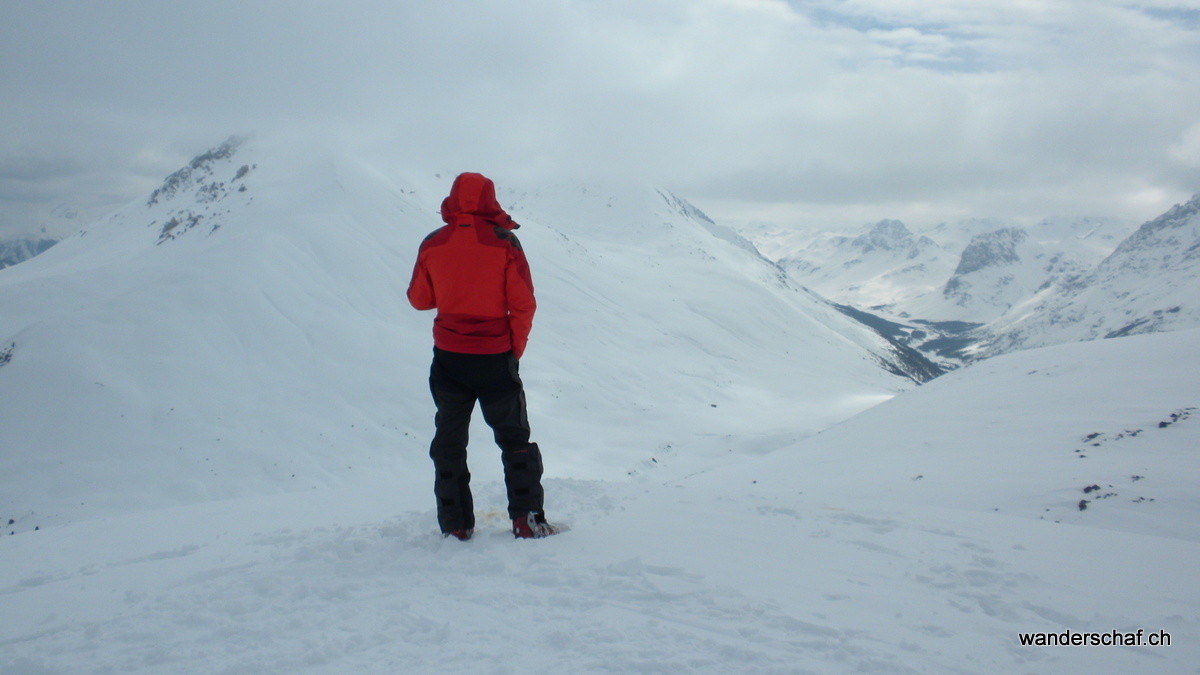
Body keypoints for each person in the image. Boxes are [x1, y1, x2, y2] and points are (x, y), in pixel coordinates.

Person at [407, 172, 558, 540]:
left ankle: (456, 524)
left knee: (450, 440)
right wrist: (513, 350)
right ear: (489, 198)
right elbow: (523, 304)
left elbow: (419, 300)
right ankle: (527, 520)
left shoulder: (432, 243)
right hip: (494, 358)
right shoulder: (505, 243)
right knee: (515, 439)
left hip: (448, 358)